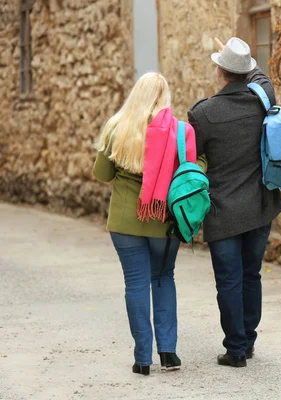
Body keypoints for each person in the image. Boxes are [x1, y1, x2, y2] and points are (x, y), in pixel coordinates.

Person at [188, 37, 281, 367]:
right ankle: (248, 340)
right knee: (251, 274)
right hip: (260, 205)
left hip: (224, 211)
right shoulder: (262, 99)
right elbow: (263, 79)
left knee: (228, 279)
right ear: (245, 72)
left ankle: (235, 348)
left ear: (220, 72)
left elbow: (192, 159)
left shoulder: (203, 114)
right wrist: (245, 58)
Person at [93, 72, 197, 375]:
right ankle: (168, 353)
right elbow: (190, 169)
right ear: (165, 96)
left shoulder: (116, 128)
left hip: (125, 222)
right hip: (164, 221)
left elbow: (103, 174)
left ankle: (142, 359)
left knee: (135, 284)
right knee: (163, 278)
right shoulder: (180, 131)